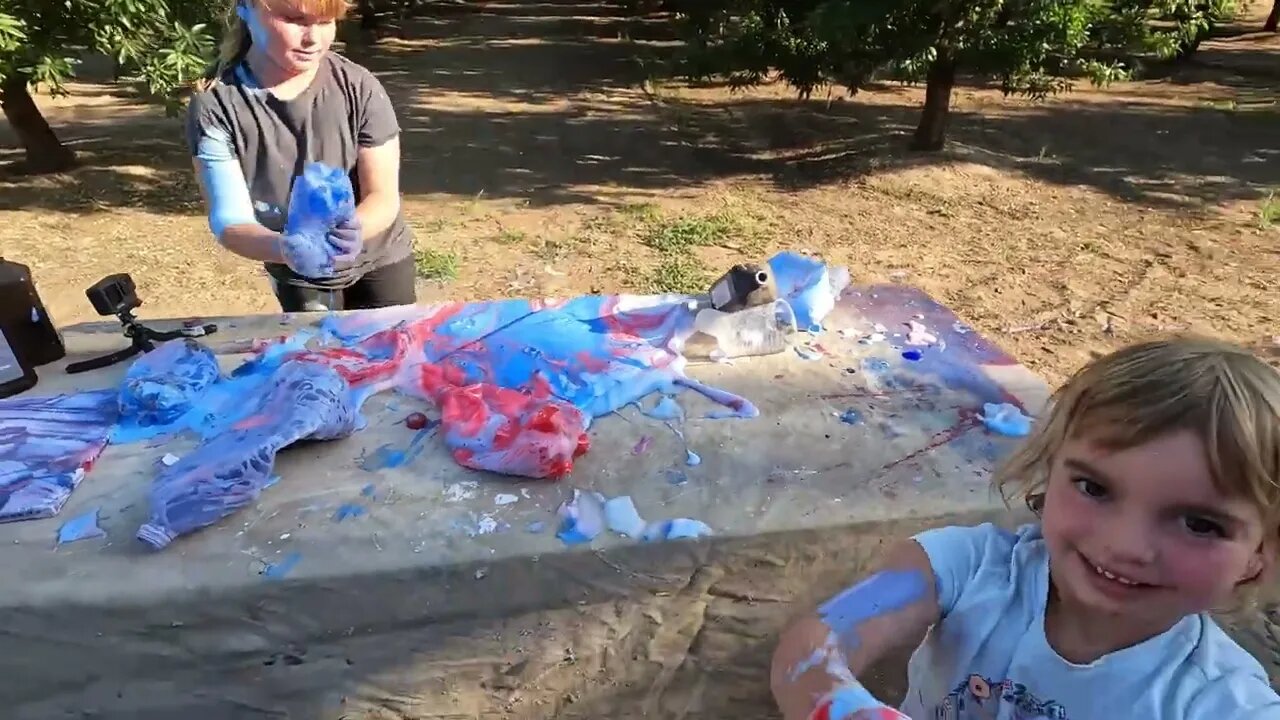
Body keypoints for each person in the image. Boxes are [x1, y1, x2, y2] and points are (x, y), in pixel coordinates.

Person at [771, 337, 1280, 720]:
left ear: (1261, 551)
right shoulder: (969, 568)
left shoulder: (1221, 701)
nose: (1125, 545)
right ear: (1050, 468)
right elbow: (815, 647)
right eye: (1094, 488)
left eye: (1199, 524)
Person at [186, 0, 416, 312]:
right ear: (244, 8)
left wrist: (356, 230)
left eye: (325, 22)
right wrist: (285, 249)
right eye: (294, 19)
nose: (313, 39)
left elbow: (383, 196)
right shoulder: (216, 106)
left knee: (392, 353)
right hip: (297, 273)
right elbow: (229, 220)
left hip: (382, 256)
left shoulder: (359, 86)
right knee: (316, 357)